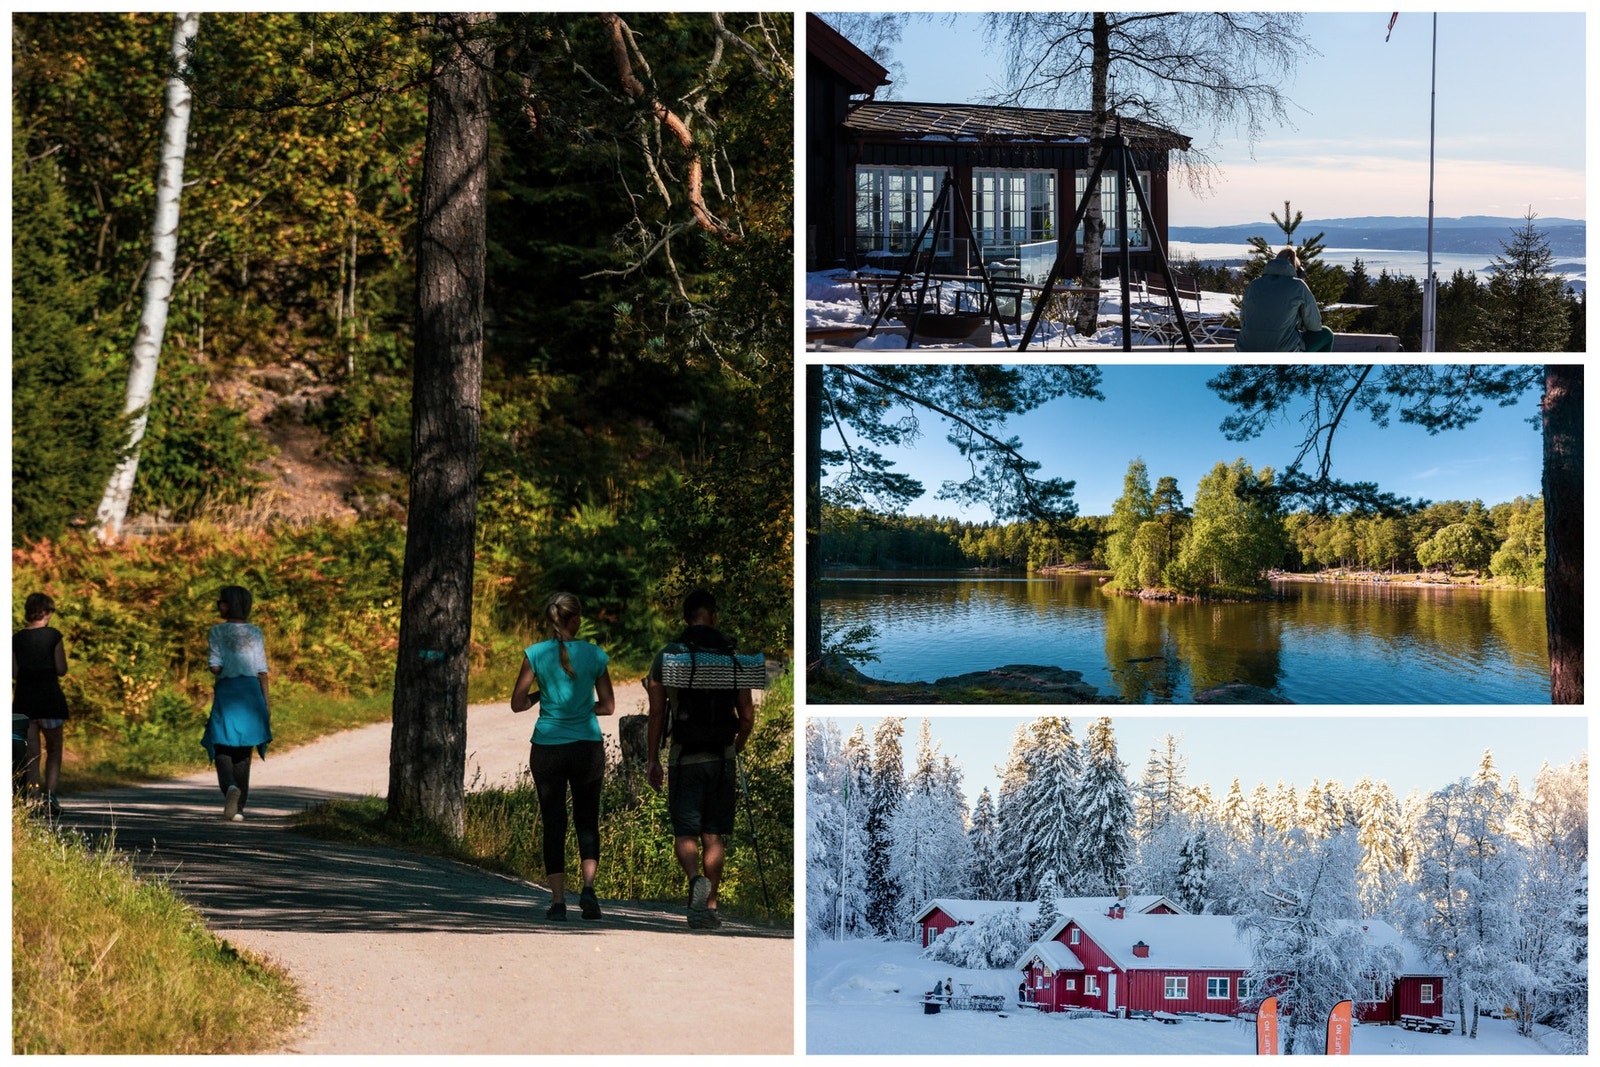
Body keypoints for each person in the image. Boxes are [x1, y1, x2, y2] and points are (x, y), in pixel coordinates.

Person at [645, 589, 756, 930]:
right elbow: (748, 715)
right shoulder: (733, 657)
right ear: (714, 616)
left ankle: (695, 879)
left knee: (685, 832)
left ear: (686, 618)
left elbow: (657, 713)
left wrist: (653, 759)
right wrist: (736, 745)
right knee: (714, 835)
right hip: (721, 757)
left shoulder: (668, 657)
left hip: (685, 756)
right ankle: (709, 905)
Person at [510, 592, 615, 922]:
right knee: (587, 819)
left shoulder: (535, 655)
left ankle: (557, 902)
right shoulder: (594, 655)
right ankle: (588, 890)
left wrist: (543, 696)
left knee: (554, 823)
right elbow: (608, 706)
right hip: (586, 747)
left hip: (548, 749)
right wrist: (583, 708)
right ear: (576, 619)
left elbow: (517, 703)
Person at [203, 585, 272, 823]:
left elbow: (215, 667)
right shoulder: (255, 632)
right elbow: (262, 670)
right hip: (252, 692)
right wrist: (266, 703)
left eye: (221, 602)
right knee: (244, 750)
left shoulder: (217, 632)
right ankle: (239, 809)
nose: (218, 606)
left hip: (228, 691)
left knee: (221, 744)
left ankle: (230, 787)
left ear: (229, 604)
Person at [14, 593, 70, 815]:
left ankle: (33, 799)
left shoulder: (15, 639)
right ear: (46, 612)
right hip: (50, 699)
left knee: (32, 754)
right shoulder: (53, 636)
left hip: (25, 700)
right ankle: (50, 796)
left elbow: (14, 672)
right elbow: (61, 669)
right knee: (54, 749)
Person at [1234, 246, 1335, 352]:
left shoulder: (1254, 285)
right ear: (1298, 271)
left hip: (1245, 349)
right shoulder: (1298, 286)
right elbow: (1315, 326)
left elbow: (1243, 322)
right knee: (1326, 334)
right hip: (1282, 350)